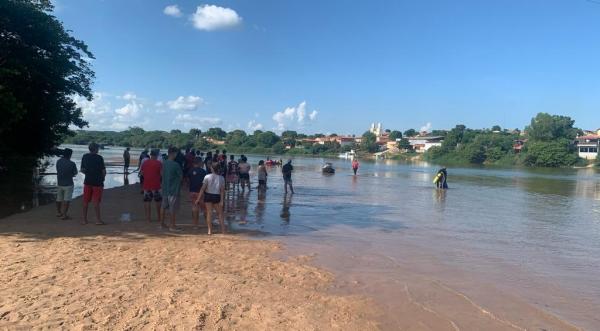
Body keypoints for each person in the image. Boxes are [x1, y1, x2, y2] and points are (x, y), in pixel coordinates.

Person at [196, 162, 226, 235]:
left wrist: (198, 199)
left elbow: (203, 189)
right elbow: (222, 191)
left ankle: (209, 230)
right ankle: (223, 231)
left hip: (208, 195)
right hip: (217, 196)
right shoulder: (221, 178)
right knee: (220, 214)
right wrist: (222, 201)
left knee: (209, 213)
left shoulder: (207, 176)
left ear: (211, 168)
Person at [81, 143, 106, 225]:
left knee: (85, 201)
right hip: (97, 182)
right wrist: (103, 178)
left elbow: (82, 169)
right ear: (95, 149)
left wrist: (88, 174)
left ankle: (84, 220)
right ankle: (98, 220)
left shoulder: (84, 156)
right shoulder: (99, 158)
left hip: (88, 180)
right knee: (96, 201)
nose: (98, 149)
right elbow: (103, 171)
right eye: (98, 148)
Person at [161, 147, 184, 231]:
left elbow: (161, 174)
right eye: (176, 153)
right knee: (172, 208)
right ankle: (172, 226)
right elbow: (181, 177)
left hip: (165, 188)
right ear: (173, 153)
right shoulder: (176, 165)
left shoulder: (164, 163)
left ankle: (162, 224)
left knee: (163, 207)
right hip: (173, 190)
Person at [140, 149, 163, 223]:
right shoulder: (159, 163)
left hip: (146, 185)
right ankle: (159, 217)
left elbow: (142, 173)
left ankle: (148, 219)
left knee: (147, 202)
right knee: (158, 201)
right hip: (156, 185)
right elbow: (162, 174)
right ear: (156, 155)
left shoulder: (145, 163)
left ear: (150, 155)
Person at [55, 148, 77, 220]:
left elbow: (58, 170)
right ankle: (64, 215)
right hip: (69, 183)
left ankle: (58, 212)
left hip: (60, 182)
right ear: (70, 155)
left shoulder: (58, 162)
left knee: (59, 199)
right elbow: (75, 173)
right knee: (67, 200)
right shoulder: (72, 163)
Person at [188, 157, 207, 229]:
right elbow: (205, 182)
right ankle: (208, 224)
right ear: (199, 163)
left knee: (194, 207)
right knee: (204, 208)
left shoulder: (190, 170)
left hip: (192, 191)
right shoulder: (203, 171)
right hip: (200, 191)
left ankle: (195, 225)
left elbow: (187, 180)